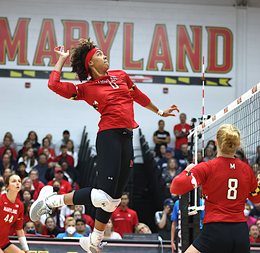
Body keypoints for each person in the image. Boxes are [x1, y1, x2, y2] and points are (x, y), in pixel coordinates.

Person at [30, 40, 177, 252]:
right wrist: (61, 60)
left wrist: (159, 111)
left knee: (113, 201)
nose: (105, 55)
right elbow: (54, 85)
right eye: (99, 54)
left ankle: (93, 242)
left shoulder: (121, 75)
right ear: (91, 63)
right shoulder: (86, 88)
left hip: (127, 137)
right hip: (109, 136)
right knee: (102, 196)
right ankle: (52, 200)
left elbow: (138, 95)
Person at [170, 124, 260, 253]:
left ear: (216, 143)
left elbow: (175, 188)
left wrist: (186, 172)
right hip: (241, 232)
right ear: (237, 145)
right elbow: (257, 197)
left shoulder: (207, 167)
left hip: (216, 230)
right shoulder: (246, 169)